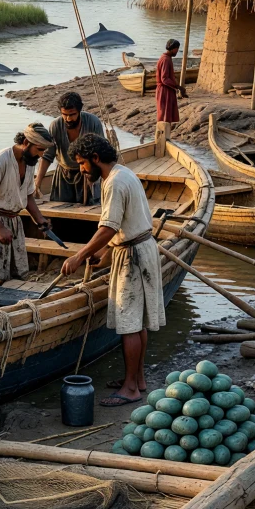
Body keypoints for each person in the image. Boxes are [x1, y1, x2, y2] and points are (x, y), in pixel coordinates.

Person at [60, 133, 163, 407]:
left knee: (129, 324)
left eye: (82, 163)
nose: (82, 170)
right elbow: (124, 225)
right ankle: (138, 380)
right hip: (139, 247)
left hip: (133, 257)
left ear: (96, 158)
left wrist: (80, 256)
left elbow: (108, 228)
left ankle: (130, 389)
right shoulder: (122, 173)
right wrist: (104, 254)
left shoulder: (114, 183)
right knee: (137, 322)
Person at [0, 124, 56, 285]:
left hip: (13, 220)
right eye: (39, 150)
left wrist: (40, 219)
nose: (40, 155)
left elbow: (28, 195)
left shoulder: (29, 162)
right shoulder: (1, 159)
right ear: (26, 142)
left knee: (16, 272)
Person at [33, 91, 106, 204]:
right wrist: (37, 183)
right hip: (63, 175)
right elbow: (47, 156)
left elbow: (100, 153)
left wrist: (93, 176)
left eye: (72, 114)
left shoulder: (93, 122)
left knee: (91, 207)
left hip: (87, 173)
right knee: (60, 208)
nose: (68, 119)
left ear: (79, 111)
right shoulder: (55, 126)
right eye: (64, 114)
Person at [155, 39, 186, 131]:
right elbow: (164, 79)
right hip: (165, 91)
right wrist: (178, 87)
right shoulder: (166, 59)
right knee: (164, 115)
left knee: (166, 114)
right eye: (177, 49)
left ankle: (164, 136)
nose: (177, 51)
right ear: (173, 49)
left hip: (167, 89)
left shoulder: (165, 58)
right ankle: (163, 136)